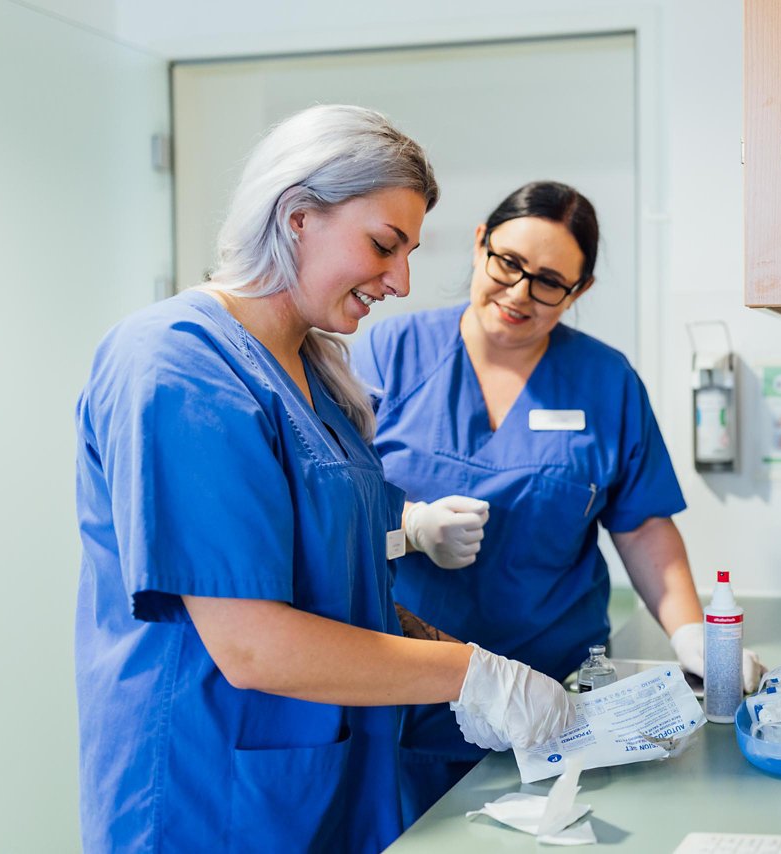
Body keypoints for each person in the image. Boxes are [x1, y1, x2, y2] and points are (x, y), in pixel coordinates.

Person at [73, 106, 576, 852]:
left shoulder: (316, 375)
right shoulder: (175, 367)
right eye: (384, 245)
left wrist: (459, 663)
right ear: (297, 216)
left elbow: (337, 586)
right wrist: (468, 673)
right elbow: (253, 645)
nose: (401, 281)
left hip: (327, 784)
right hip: (208, 798)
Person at [352, 180, 765, 823]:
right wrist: (406, 524)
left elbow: (643, 526)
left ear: (580, 292)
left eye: (549, 282)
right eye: (508, 263)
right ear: (480, 244)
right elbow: (330, 503)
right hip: (411, 695)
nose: (519, 293)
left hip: (555, 709)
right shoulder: (389, 355)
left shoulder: (606, 382)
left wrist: (688, 634)